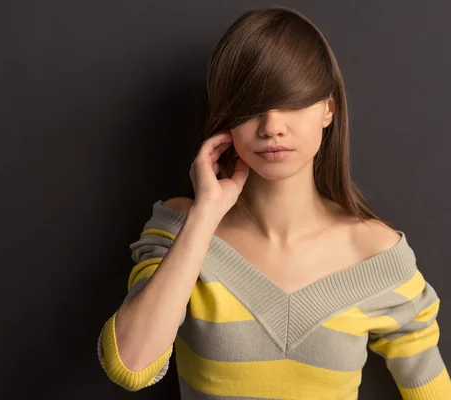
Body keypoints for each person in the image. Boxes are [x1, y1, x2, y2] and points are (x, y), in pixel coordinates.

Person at [97, 6, 451, 399]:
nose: (272, 127)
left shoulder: (376, 257)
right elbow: (129, 367)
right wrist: (205, 217)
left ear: (328, 109)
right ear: (226, 119)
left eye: (293, 102)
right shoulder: (180, 228)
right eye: (251, 107)